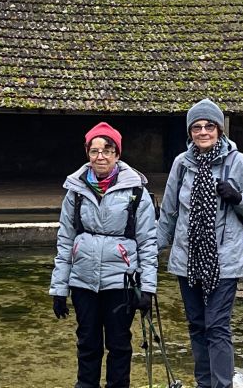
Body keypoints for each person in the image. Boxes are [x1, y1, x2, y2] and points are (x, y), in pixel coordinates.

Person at [157, 99, 243, 388]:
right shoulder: (182, 164)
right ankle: (204, 383)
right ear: (190, 131)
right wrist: (149, 252)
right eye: (197, 127)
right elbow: (168, 212)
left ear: (219, 128)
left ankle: (221, 385)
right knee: (197, 325)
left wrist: (238, 198)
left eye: (209, 126)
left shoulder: (239, 163)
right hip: (187, 258)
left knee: (217, 326)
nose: (203, 132)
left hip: (224, 259)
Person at [50, 122, 161, 388]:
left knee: (119, 344)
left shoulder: (136, 192)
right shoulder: (75, 191)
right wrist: (59, 287)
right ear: (87, 153)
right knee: (87, 343)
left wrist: (147, 287)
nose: (100, 156)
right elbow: (65, 239)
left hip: (120, 281)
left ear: (117, 154)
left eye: (107, 150)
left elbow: (147, 242)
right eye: (94, 150)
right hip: (83, 280)